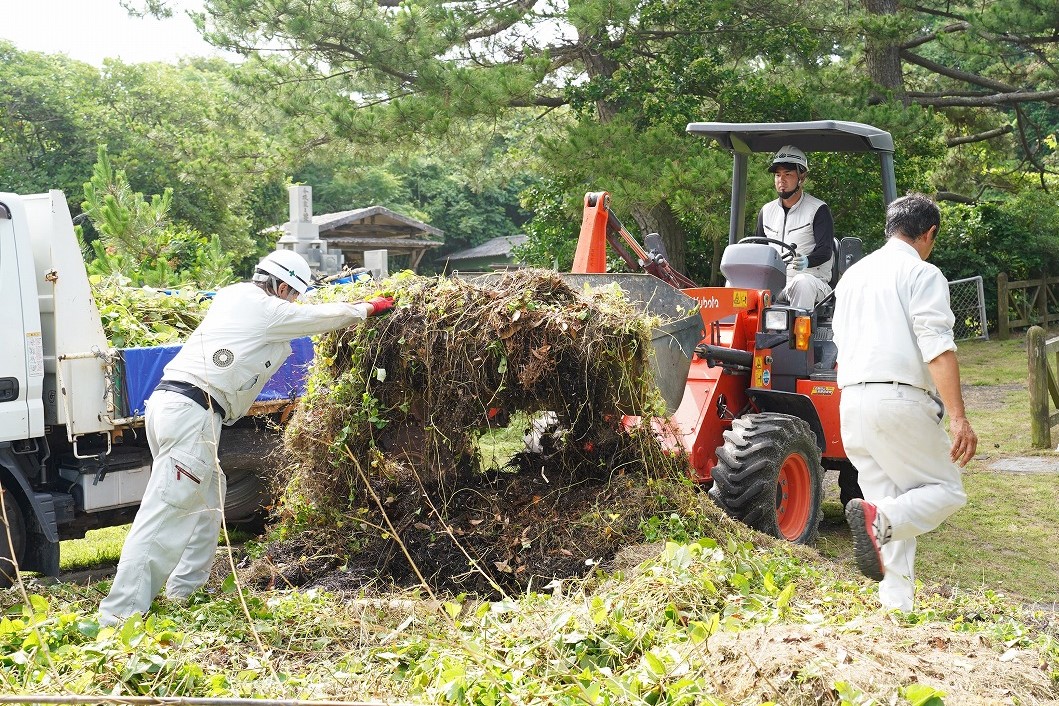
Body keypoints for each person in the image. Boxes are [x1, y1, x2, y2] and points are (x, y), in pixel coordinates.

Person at [99, 249, 393, 625]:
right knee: (166, 511)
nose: (295, 302)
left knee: (209, 498)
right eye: (295, 294)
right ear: (283, 286)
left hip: (180, 406)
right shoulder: (265, 308)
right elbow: (315, 318)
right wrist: (365, 307)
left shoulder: (235, 295)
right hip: (192, 410)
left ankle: (183, 592)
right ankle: (120, 616)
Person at [832, 193, 977, 612]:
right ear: (928, 234)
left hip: (852, 401)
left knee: (894, 498)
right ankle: (880, 521)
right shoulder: (922, 273)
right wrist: (959, 416)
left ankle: (896, 606)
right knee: (946, 490)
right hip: (897, 398)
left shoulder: (853, 276)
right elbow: (938, 348)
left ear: (889, 229)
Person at [754, 145, 835, 309]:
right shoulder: (767, 211)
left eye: (788, 174)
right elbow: (759, 249)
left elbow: (826, 250)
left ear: (802, 177)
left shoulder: (818, 209)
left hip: (811, 281)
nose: (781, 180)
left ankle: (799, 333)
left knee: (801, 283)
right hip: (773, 285)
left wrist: (807, 261)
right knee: (735, 285)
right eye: (777, 175)